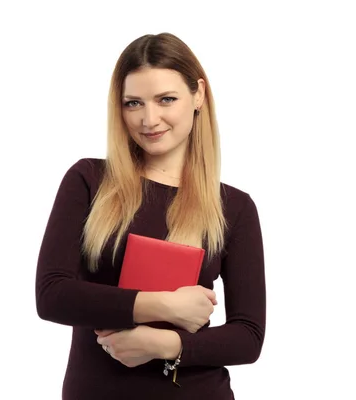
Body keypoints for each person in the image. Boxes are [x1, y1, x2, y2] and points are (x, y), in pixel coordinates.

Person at [34, 32, 265, 399]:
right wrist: (162, 305)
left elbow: (248, 337)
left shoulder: (234, 207)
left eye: (166, 99)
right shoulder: (89, 180)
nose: (148, 119)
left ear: (198, 95)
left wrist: (165, 344)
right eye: (133, 103)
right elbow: (52, 295)